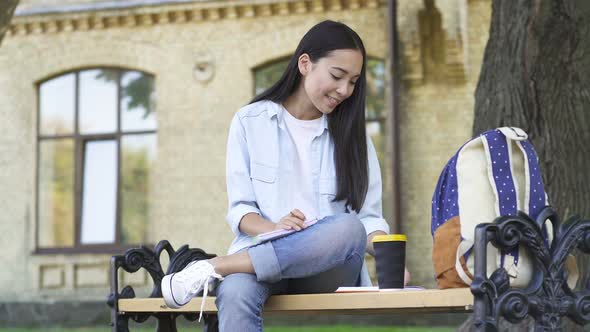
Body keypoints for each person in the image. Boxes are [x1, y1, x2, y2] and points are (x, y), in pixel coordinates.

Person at [161, 20, 409, 331]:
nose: (345, 90)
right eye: (337, 76)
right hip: (260, 262)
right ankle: (228, 269)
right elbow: (241, 211)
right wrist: (275, 229)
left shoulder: (355, 138)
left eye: (354, 81)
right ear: (305, 64)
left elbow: (368, 220)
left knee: (348, 228)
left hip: (328, 270)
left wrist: (389, 258)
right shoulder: (249, 122)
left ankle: (213, 267)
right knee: (235, 292)